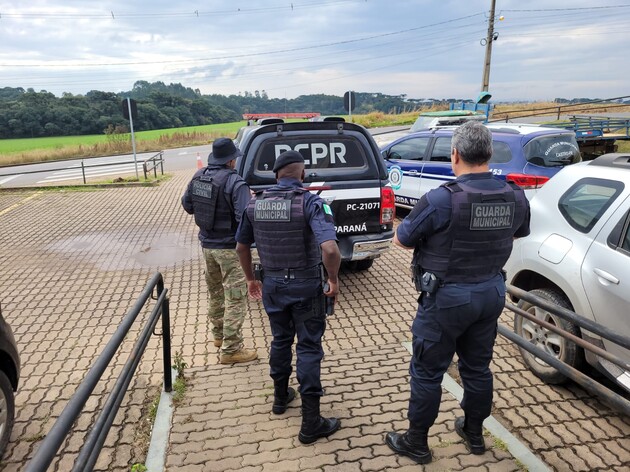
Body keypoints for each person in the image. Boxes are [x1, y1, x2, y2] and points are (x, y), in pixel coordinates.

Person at [385, 121, 530, 464]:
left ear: (454, 155)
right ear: (489, 153)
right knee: (477, 369)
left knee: (427, 371)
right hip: (490, 292)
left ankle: (417, 442)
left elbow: (400, 239)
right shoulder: (514, 195)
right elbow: (515, 233)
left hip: (447, 299)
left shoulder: (440, 199)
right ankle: (474, 433)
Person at [235, 150, 342, 444]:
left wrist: (250, 279)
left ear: (275, 175)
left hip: (272, 285)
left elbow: (241, 247)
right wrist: (332, 280)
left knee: (280, 340)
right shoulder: (311, 203)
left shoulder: (254, 204)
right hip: (306, 286)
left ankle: (280, 399)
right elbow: (331, 250)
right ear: (302, 175)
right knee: (308, 347)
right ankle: (311, 424)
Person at [182, 137, 258, 365]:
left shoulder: (199, 176)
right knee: (235, 297)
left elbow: (187, 206)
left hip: (207, 247)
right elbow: (244, 219)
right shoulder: (236, 183)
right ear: (231, 160)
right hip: (229, 250)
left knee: (215, 293)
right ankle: (231, 350)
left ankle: (218, 337)